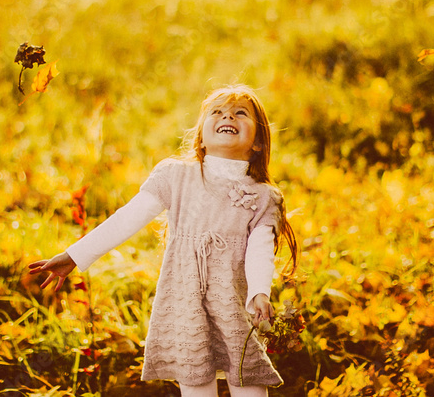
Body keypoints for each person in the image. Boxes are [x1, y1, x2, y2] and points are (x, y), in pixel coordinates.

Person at [28, 85, 298, 396]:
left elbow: (260, 250)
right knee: (196, 382)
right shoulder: (175, 177)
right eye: (217, 112)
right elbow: (126, 219)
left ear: (259, 143)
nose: (228, 116)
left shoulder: (264, 196)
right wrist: (75, 255)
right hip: (186, 302)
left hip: (235, 305)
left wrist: (260, 293)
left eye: (240, 113)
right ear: (200, 137)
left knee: (248, 379)